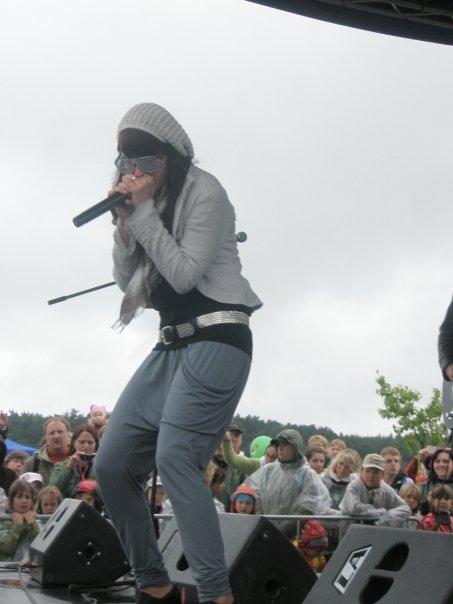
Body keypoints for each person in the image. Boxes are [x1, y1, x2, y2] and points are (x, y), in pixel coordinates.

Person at [94, 102, 261, 604]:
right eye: (127, 163)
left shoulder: (206, 192)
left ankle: (216, 594)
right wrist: (125, 224)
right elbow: (129, 282)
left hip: (218, 335)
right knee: (111, 464)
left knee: (176, 458)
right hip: (171, 344)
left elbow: (185, 274)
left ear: (172, 156)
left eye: (148, 160)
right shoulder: (149, 205)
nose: (137, 171)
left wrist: (143, 214)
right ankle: (155, 586)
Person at [248, 429, 334, 537]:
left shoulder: (306, 475)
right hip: (264, 534)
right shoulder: (268, 470)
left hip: (292, 538)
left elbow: (306, 509)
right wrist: (262, 525)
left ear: (295, 447)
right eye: (278, 444)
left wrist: (280, 532)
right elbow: (256, 495)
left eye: (284, 444)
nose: (279, 448)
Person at [339, 454, 411, 527]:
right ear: (361, 471)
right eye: (367, 471)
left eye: (376, 472)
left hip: (377, 532)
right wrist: (382, 512)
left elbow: (405, 508)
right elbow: (355, 509)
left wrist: (389, 516)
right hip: (349, 530)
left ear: (382, 474)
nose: (371, 475)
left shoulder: (387, 490)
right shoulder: (353, 486)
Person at [49, 423, 98, 497]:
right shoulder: (60, 466)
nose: (86, 446)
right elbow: (51, 494)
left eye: (90, 443)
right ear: (74, 443)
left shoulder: (100, 466)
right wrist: (69, 468)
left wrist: (98, 467)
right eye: (82, 442)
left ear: (95, 445)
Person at [22, 417, 71, 486]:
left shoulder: (78, 461)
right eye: (52, 433)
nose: (56, 436)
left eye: (60, 432)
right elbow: (21, 489)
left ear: (68, 434)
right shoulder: (33, 463)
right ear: (46, 437)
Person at [0, 479, 40, 562]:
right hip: (10, 568)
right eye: (19, 496)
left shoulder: (37, 521)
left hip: (32, 567)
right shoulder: (4, 522)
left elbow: (41, 546)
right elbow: (8, 550)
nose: (24, 500)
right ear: (12, 500)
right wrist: (18, 526)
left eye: (28, 497)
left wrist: (32, 524)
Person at [419, 447, 453, 512]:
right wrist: (427, 503)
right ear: (432, 464)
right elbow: (417, 511)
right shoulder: (424, 487)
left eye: (446, 461)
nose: (441, 464)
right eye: (437, 461)